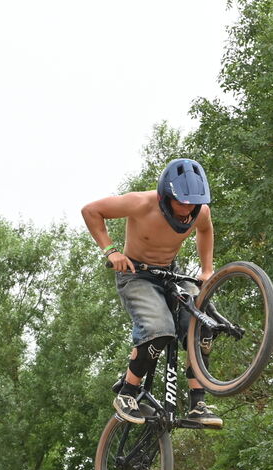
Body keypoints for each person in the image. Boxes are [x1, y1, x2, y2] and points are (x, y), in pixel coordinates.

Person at [81, 157, 222, 428]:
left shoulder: (199, 211)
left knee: (201, 323)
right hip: (136, 274)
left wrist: (207, 269)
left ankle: (198, 403)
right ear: (165, 196)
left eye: (193, 203)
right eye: (181, 202)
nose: (187, 210)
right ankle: (128, 393)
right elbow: (90, 211)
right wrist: (111, 251)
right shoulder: (140, 203)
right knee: (159, 328)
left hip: (170, 273)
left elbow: (205, 229)